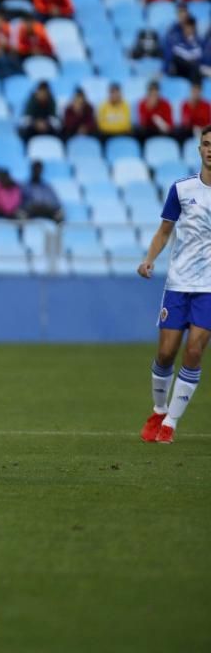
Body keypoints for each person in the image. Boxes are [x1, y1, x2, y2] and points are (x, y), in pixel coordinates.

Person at [137, 126, 211, 444]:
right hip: (179, 282)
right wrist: (150, 258)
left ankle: (170, 423)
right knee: (167, 352)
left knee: (194, 351)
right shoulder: (182, 189)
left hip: (209, 287)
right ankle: (158, 409)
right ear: (199, 149)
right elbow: (164, 230)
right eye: (207, 144)